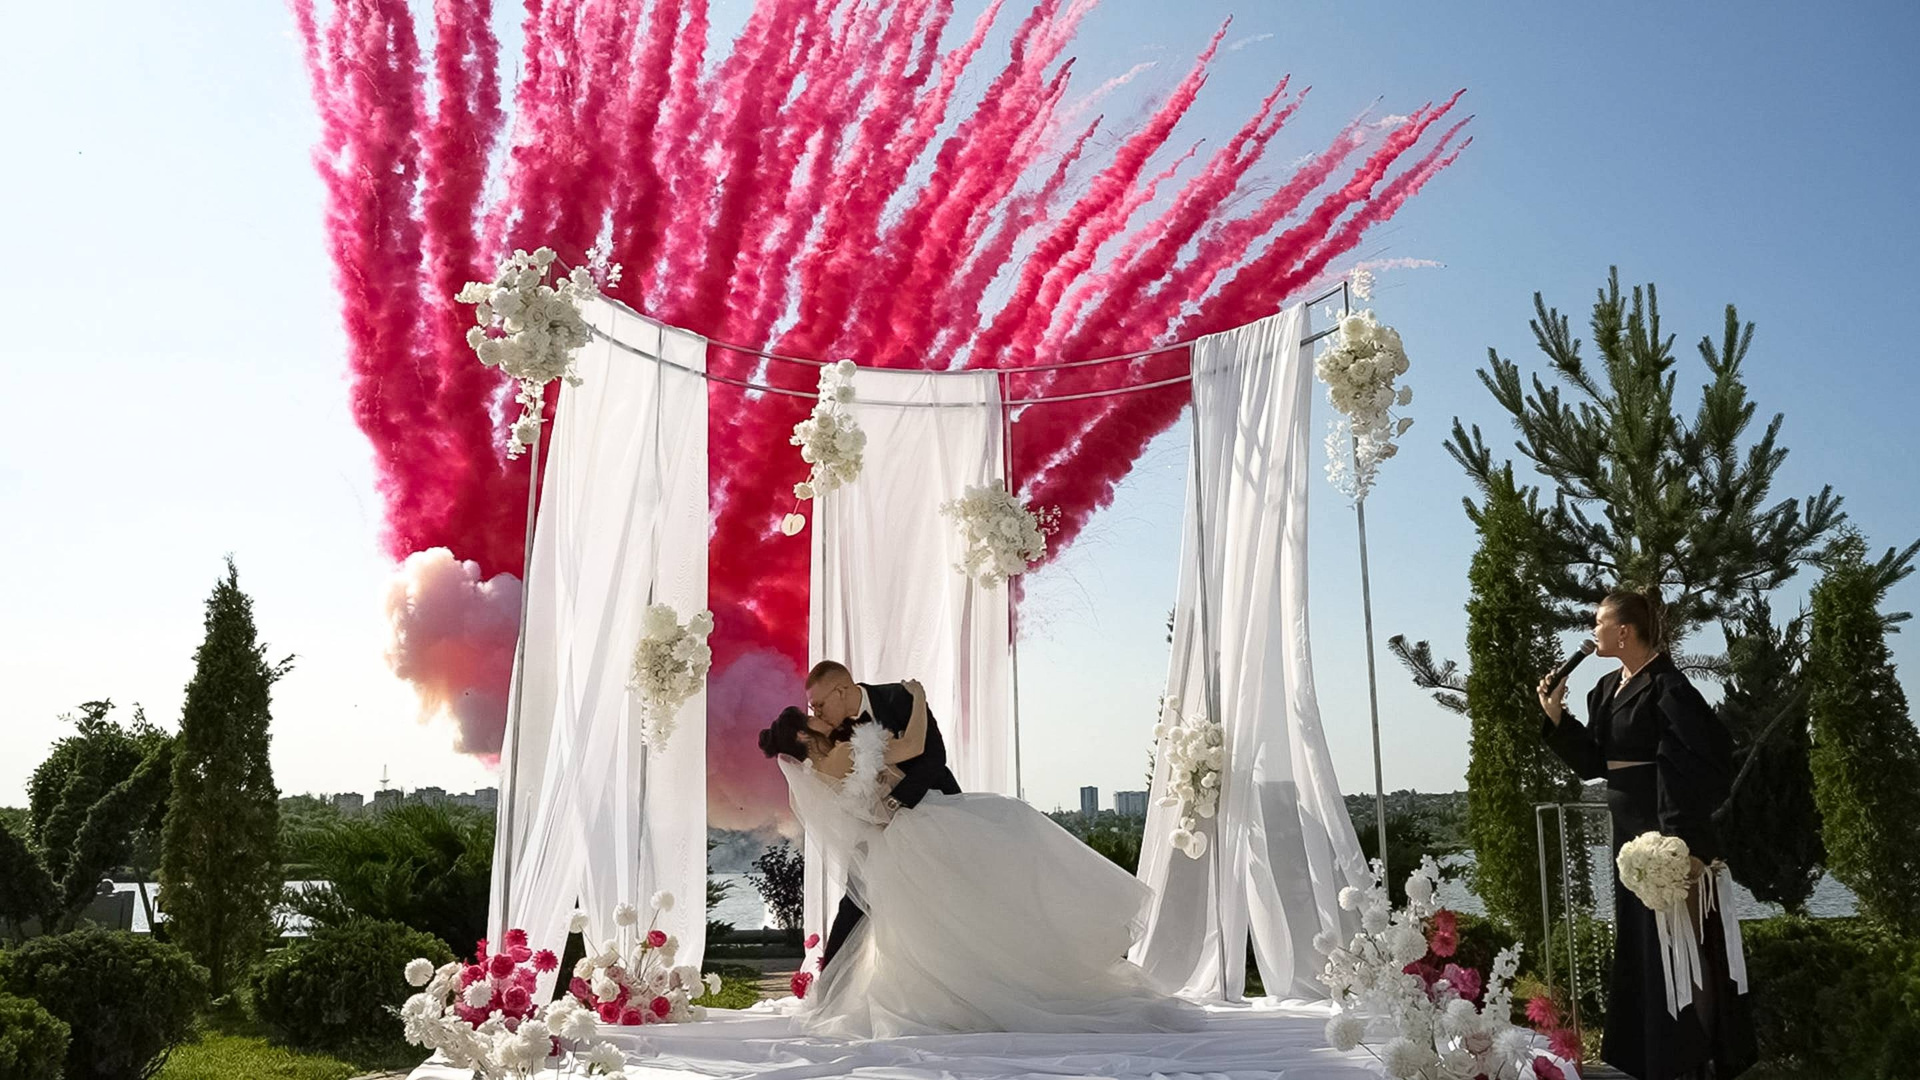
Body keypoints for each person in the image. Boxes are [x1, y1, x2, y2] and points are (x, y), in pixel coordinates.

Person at [759, 672, 1200, 1038]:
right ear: (803, 734)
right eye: (811, 714)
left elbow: (926, 761)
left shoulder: (822, 765)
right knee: (1004, 845)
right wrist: (920, 698)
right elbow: (912, 748)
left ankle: (953, 990)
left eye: (817, 705)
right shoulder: (843, 749)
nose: (817, 714)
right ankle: (1019, 974)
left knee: (944, 921)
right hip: (917, 829)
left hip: (906, 830)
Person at [1537, 590, 1757, 1080]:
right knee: (1644, 950)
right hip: (1628, 837)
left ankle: (1698, 1061)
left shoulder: (1668, 687)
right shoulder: (1605, 690)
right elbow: (1596, 763)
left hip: (1666, 838)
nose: (1591, 632)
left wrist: (1682, 842)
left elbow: (1700, 760)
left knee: (1683, 946)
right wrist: (1557, 718)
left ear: (1624, 631)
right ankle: (1657, 1060)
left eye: (1598, 622)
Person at [798, 660, 961, 969]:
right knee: (857, 896)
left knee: (944, 897)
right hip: (874, 825)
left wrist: (896, 803)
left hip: (932, 810)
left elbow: (934, 757)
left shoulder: (899, 698)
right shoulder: (830, 735)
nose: (815, 713)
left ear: (842, 691)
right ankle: (831, 978)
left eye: (818, 705)